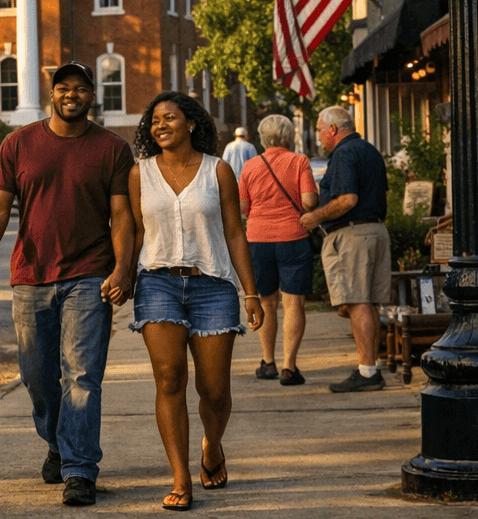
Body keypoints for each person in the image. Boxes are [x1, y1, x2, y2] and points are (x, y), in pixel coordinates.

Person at [0, 61, 135, 508]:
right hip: (30, 277)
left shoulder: (113, 149)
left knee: (81, 375)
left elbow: (122, 215)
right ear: (53, 93)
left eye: (80, 89)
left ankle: (80, 469)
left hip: (90, 274)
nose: (71, 95)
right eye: (64, 88)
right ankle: (57, 443)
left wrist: (123, 268)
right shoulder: (19, 143)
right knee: (38, 375)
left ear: (92, 96)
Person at [128, 92, 262, 512]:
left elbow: (235, 232)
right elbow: (133, 231)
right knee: (170, 379)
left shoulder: (218, 170)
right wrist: (120, 274)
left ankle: (212, 445)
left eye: (169, 117)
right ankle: (180, 477)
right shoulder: (140, 175)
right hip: (157, 283)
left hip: (213, 286)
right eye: (154, 121)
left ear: (191, 124)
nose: (160, 125)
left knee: (214, 390)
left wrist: (251, 291)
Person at [299, 105, 391, 393]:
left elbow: (348, 199)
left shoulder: (343, 153)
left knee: (358, 301)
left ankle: (367, 372)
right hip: (376, 230)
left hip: (354, 234)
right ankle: (370, 367)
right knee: (369, 302)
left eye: (319, 129)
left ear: (333, 129)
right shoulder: (369, 150)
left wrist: (315, 217)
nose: (318, 135)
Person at [236, 113, 318, 387]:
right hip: (293, 238)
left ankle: (268, 361)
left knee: (266, 302)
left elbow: (242, 209)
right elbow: (308, 202)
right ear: (287, 136)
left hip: (258, 240)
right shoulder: (299, 162)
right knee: (293, 302)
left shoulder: (249, 166)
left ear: (262, 138)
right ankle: (289, 367)